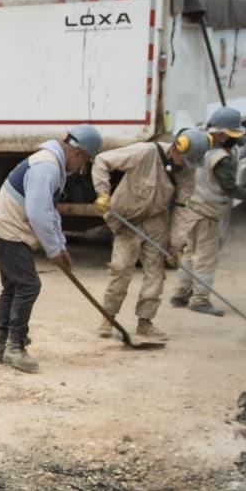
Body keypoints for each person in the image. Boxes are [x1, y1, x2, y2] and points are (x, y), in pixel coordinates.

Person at [0, 124, 102, 373]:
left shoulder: (53, 164)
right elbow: (38, 213)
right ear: (78, 153)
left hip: (2, 229)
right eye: (85, 162)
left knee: (14, 287)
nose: (81, 168)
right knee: (28, 286)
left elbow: (50, 211)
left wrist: (60, 246)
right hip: (8, 231)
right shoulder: (47, 167)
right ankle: (14, 347)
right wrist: (53, 250)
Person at [91, 129, 209, 341]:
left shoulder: (186, 173)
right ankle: (108, 318)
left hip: (156, 222)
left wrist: (176, 245)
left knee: (155, 274)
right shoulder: (145, 152)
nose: (186, 165)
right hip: (127, 220)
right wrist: (102, 192)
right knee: (120, 269)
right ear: (176, 148)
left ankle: (145, 322)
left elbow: (183, 209)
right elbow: (102, 161)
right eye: (185, 160)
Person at [169, 107, 246, 316]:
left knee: (190, 254)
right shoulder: (221, 158)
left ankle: (180, 294)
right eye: (233, 136)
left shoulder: (198, 148)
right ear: (221, 135)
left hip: (193, 209)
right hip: (208, 214)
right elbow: (231, 189)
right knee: (205, 258)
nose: (235, 140)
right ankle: (200, 300)